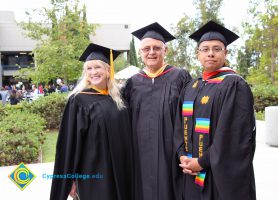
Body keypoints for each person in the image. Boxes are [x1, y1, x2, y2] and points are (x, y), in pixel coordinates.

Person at [173, 20, 256, 200]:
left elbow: (233, 137)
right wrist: (183, 156)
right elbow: (179, 126)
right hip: (190, 173)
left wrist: (201, 162)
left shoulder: (234, 85)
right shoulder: (191, 86)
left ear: (225, 53)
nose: (210, 53)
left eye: (217, 49)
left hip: (217, 177)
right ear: (198, 54)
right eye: (205, 49)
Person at [50, 43, 133, 200]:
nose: (94, 72)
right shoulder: (78, 100)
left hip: (122, 170)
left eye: (98, 67)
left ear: (108, 70)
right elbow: (69, 144)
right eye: (89, 68)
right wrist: (70, 179)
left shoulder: (118, 98)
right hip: (94, 173)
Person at [122, 22, 191, 200]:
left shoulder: (180, 77)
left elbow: (190, 116)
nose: (151, 52)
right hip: (139, 152)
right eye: (146, 49)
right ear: (140, 52)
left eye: (156, 48)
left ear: (165, 50)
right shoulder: (132, 83)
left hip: (172, 153)